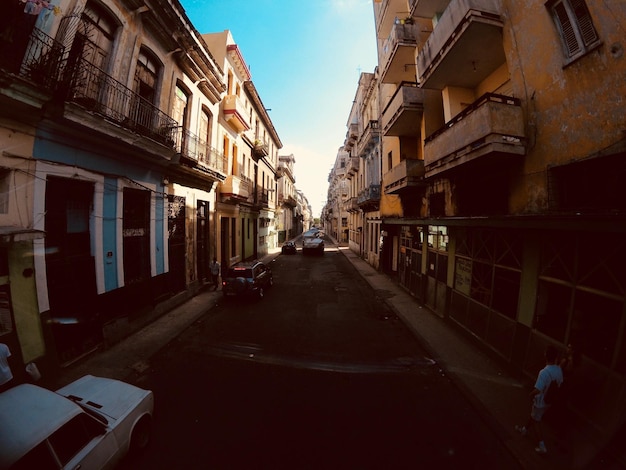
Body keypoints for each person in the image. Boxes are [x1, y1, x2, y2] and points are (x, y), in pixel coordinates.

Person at [515, 345, 564, 454]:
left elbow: (538, 389)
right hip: (549, 401)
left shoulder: (544, 372)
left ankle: (542, 445)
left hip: (540, 402)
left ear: (546, 356)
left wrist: (530, 395)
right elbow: (560, 384)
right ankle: (524, 430)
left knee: (536, 421)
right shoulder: (559, 370)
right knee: (534, 415)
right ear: (556, 357)